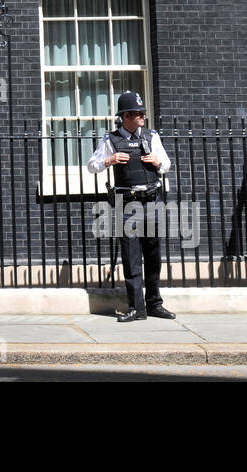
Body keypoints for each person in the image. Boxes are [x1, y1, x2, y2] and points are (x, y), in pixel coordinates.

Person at [87, 91, 177, 322]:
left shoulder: (151, 136)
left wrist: (157, 162)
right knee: (131, 257)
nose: (142, 117)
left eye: (143, 113)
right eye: (138, 114)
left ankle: (155, 304)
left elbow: (166, 164)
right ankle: (136, 308)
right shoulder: (111, 140)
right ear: (125, 116)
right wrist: (110, 160)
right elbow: (92, 166)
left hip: (152, 201)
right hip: (127, 205)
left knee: (154, 257)